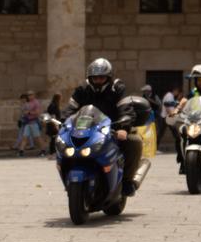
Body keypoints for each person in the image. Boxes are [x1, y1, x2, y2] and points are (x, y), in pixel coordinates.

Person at [59, 58, 142, 196]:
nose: (98, 81)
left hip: (112, 129)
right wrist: (62, 123)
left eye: (101, 78)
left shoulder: (117, 89)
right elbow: (70, 110)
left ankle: (127, 181)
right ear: (89, 78)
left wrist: (124, 126)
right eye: (95, 78)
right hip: (86, 130)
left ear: (108, 78)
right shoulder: (82, 90)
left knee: (135, 142)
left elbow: (125, 109)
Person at [161, 87, 178, 153]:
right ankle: (178, 146)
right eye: (177, 91)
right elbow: (167, 106)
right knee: (175, 133)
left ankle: (178, 146)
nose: (177, 93)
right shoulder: (169, 96)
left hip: (166, 117)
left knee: (161, 133)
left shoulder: (169, 95)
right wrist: (171, 115)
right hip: (167, 117)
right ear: (175, 90)